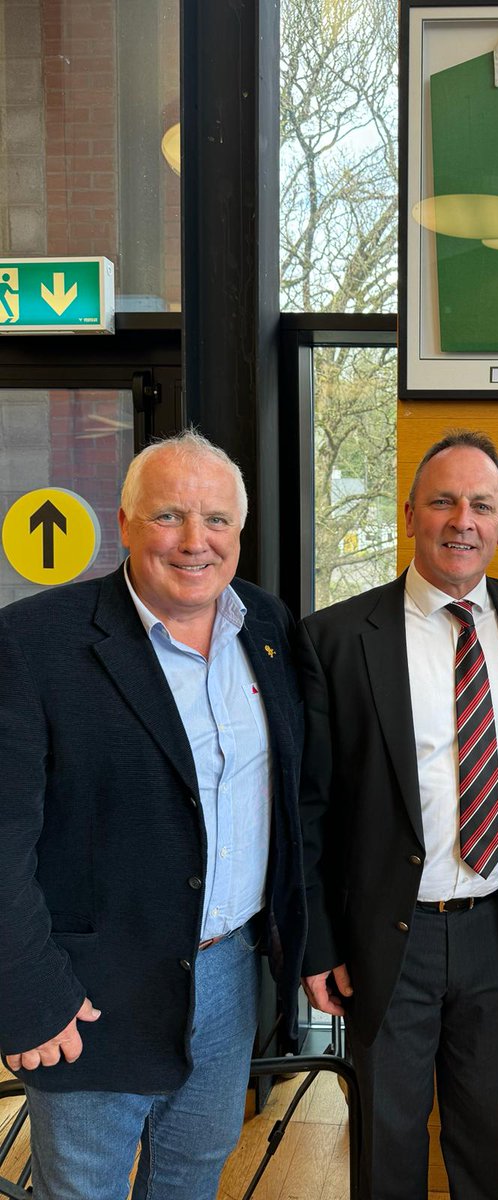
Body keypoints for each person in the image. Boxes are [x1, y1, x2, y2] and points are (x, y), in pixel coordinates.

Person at [0, 431, 306, 1200]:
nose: (195, 542)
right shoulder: (35, 642)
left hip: (227, 975)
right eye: (170, 516)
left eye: (217, 521)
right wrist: (30, 998)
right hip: (88, 994)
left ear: (240, 531)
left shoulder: (266, 628)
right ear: (126, 522)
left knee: (191, 1181)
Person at [298, 429, 498, 1200]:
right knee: (386, 1137)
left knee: (485, 1136)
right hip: (389, 935)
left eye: (482, 504)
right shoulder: (339, 637)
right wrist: (319, 942)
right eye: (444, 501)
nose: (463, 520)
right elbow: (311, 808)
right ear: (410, 512)